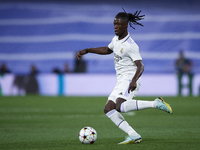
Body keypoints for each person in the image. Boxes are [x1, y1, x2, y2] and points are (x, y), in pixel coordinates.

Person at [77, 10, 173, 144]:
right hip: (121, 80)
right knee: (108, 108)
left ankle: (155, 103)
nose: (115, 27)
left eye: (118, 25)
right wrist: (87, 50)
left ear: (125, 26)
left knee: (119, 106)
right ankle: (134, 135)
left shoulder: (130, 45)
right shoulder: (115, 40)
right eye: (114, 24)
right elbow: (107, 50)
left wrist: (134, 80)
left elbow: (141, 66)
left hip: (130, 79)